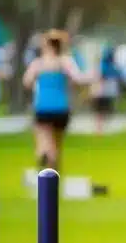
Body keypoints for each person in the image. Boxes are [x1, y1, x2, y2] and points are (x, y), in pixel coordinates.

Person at [23, 30, 87, 171]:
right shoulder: (65, 62)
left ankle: (43, 153)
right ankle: (54, 173)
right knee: (57, 144)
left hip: (42, 106)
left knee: (43, 138)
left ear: (46, 45)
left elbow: (27, 81)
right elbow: (77, 79)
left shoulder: (38, 63)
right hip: (61, 107)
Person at [90, 44, 122, 134]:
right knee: (102, 111)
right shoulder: (110, 65)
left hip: (103, 91)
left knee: (100, 111)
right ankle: (100, 128)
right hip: (106, 91)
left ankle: (99, 128)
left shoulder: (104, 65)